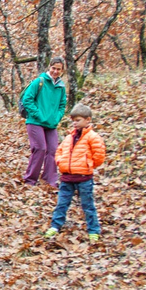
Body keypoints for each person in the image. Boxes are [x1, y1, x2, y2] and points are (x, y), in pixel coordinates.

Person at [43, 103, 106, 243]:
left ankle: (93, 230)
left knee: (88, 205)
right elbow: (59, 151)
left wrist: (88, 165)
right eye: (73, 120)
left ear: (87, 120)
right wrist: (60, 162)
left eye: (78, 120)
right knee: (62, 203)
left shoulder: (92, 137)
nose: (75, 123)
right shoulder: (69, 137)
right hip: (67, 178)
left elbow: (99, 155)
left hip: (84, 178)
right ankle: (55, 226)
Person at [22, 57, 67, 187]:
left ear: (62, 70)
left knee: (53, 150)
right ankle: (30, 180)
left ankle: (50, 180)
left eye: (58, 69)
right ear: (49, 67)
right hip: (35, 122)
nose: (55, 71)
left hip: (51, 124)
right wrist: (39, 115)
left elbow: (62, 104)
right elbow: (27, 99)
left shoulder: (61, 86)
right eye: (53, 68)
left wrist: (57, 118)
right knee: (40, 148)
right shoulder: (39, 81)